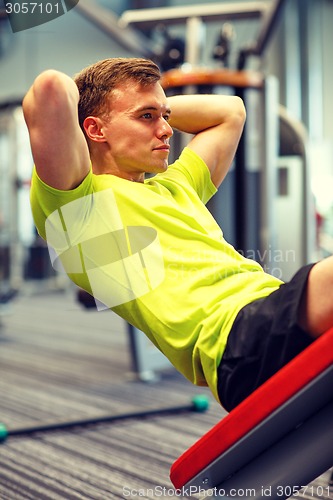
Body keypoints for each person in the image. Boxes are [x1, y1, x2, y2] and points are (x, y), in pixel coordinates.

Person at [23, 57, 333, 412]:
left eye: (165, 117)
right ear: (94, 130)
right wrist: (106, 102)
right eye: (147, 117)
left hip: (271, 309)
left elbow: (232, 110)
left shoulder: (179, 185)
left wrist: (151, 107)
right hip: (234, 340)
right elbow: (51, 88)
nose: (167, 129)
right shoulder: (79, 207)